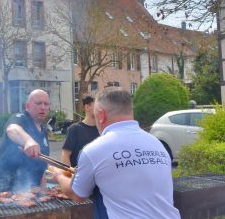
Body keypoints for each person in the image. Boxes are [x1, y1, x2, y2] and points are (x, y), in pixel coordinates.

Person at [56, 88, 180, 219]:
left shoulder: (93, 150)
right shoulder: (157, 144)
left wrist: (58, 176)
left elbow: (77, 195)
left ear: (101, 115)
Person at [0, 89, 51, 193]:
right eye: (38, 103)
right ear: (28, 106)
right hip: (5, 190)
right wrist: (28, 141)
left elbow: (42, 166)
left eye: (46, 104)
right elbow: (12, 129)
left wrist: (43, 190)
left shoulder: (43, 132)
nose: (43, 107)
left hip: (30, 193)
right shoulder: (20, 118)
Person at [61, 94, 99, 167]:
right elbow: (65, 155)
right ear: (87, 107)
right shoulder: (75, 129)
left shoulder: (103, 130)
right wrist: (69, 175)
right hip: (78, 176)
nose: (101, 108)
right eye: (98, 105)